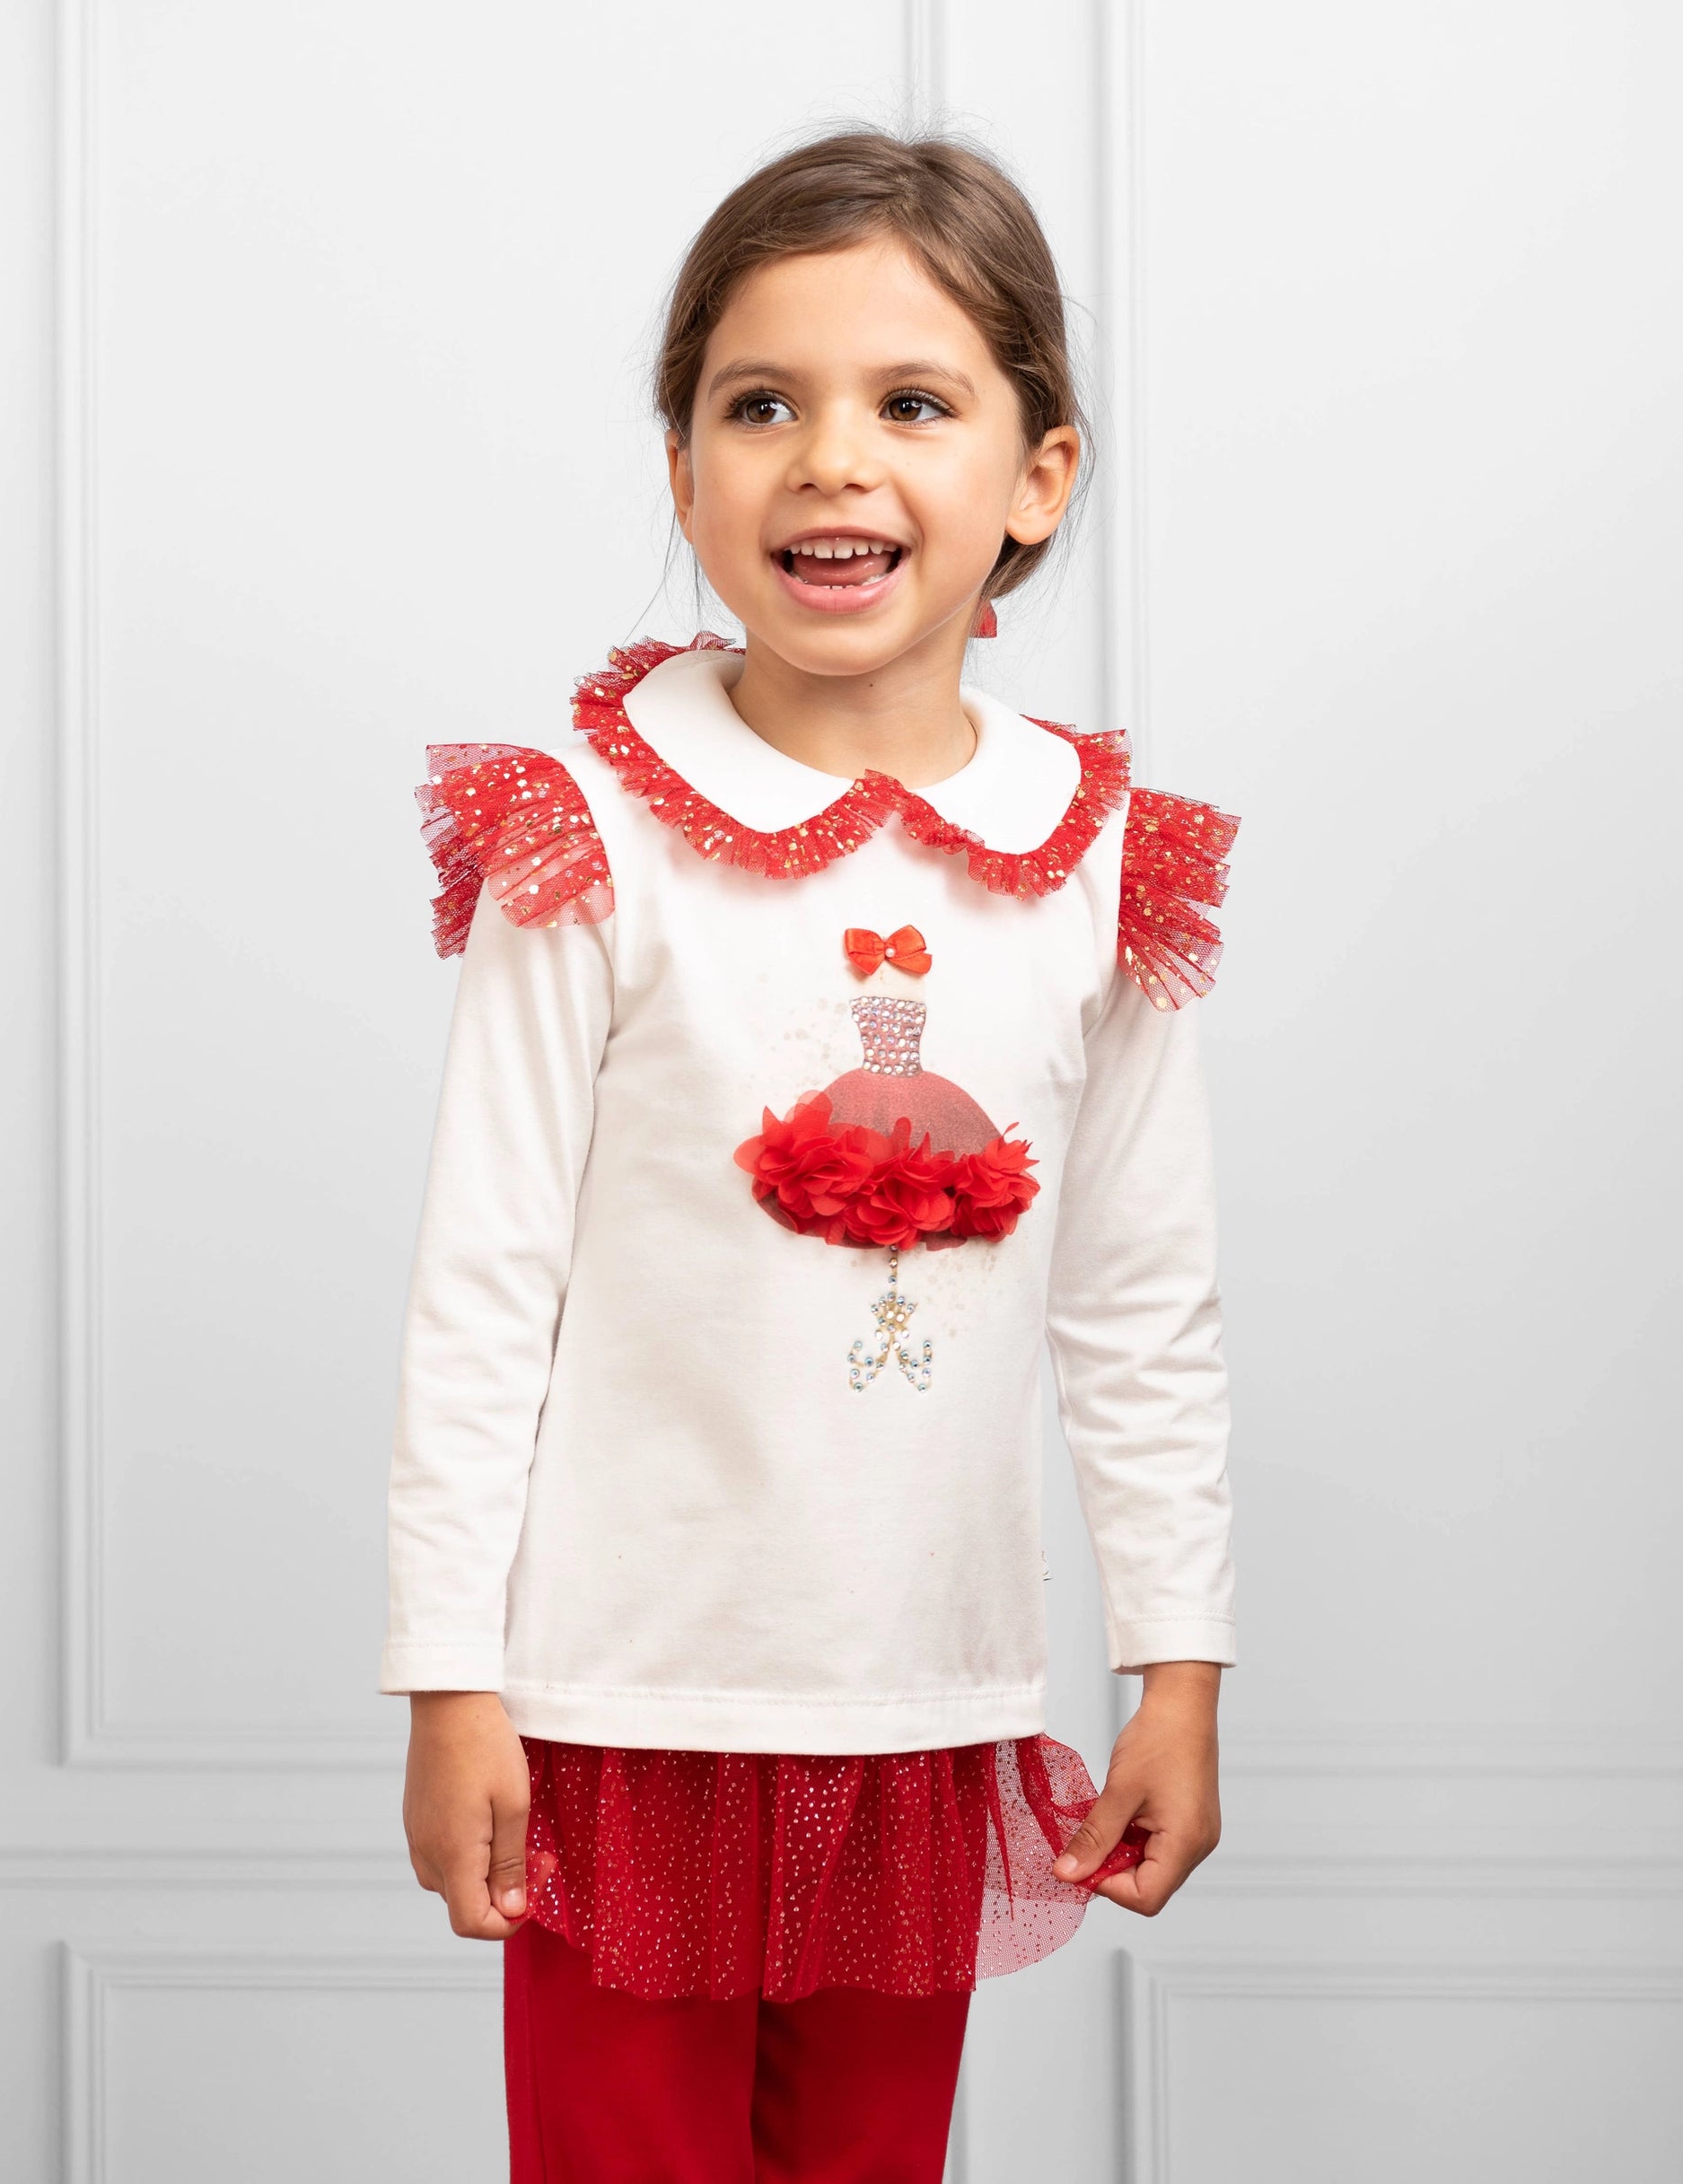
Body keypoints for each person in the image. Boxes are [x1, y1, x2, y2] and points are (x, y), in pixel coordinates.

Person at [381, 127, 1240, 2182]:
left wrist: (1177, 1661)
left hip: (920, 1701)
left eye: (912, 403)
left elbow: (1140, 1299)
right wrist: (449, 1676)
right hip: (617, 1705)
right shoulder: (591, 832)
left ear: (1037, 474)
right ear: (684, 469)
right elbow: (484, 1281)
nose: (829, 459)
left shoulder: (1095, 861)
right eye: (759, 404)